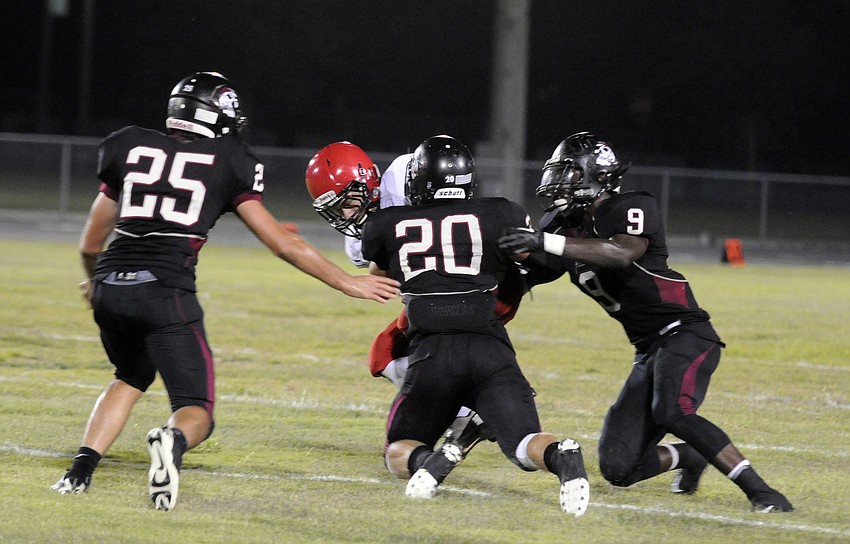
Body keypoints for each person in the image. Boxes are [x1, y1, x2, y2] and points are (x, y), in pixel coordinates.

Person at [50, 72, 399, 511]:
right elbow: (281, 242)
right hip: (165, 290)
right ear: (219, 115)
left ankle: (78, 472)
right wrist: (347, 281)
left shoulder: (129, 145)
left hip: (110, 287)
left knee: (130, 375)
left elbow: (90, 243)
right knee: (196, 410)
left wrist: (93, 280)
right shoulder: (230, 158)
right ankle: (171, 442)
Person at [498, 132, 793, 513]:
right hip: (647, 349)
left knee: (674, 410)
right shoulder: (564, 226)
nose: (560, 182)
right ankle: (691, 456)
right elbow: (530, 274)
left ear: (596, 175)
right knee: (619, 467)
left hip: (685, 333)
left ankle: (762, 492)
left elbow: (621, 252)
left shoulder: (633, 206)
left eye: (569, 172)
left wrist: (542, 242)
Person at [360, 135, 590, 516]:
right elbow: (539, 262)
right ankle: (561, 455)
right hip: (490, 348)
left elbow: (379, 272)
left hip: (433, 353)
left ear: (419, 181)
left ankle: (432, 462)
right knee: (522, 442)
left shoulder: (387, 224)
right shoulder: (501, 212)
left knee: (399, 449)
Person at [305, 142, 501, 468]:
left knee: (394, 353)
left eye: (349, 202)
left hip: (474, 285)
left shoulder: (405, 182)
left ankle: (474, 408)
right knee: (387, 353)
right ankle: (474, 409)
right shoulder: (366, 227)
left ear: (365, 183)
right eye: (338, 209)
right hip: (448, 290)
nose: (346, 214)